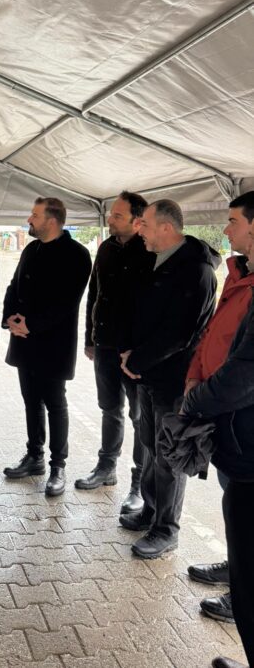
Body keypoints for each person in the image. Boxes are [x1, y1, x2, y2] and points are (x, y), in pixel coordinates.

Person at [119, 199, 219, 559]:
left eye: (144, 224)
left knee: (169, 455)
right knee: (150, 445)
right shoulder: (158, 260)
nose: (139, 230)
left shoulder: (197, 271)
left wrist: (137, 360)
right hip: (149, 374)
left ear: (166, 227)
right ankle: (150, 511)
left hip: (174, 379)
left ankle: (166, 529)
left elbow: (179, 333)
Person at [181, 235, 254, 668]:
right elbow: (213, 337)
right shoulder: (239, 276)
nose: (227, 230)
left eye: (234, 221)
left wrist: (195, 400)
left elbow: (243, 375)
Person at [2, 197, 92, 496]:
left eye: (35, 215)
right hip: (24, 341)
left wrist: (31, 325)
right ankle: (34, 457)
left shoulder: (77, 254)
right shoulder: (31, 249)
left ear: (51, 220)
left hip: (53, 344)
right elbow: (13, 286)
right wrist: (9, 318)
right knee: (31, 401)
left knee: (55, 403)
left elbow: (67, 302)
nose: (29, 219)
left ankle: (58, 466)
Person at [76, 191, 154, 513]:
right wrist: (89, 338)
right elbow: (94, 293)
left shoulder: (149, 250)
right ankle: (106, 468)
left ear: (137, 221)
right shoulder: (106, 248)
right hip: (105, 346)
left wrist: (142, 351)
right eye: (111, 214)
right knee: (109, 408)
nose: (109, 219)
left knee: (139, 417)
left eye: (117, 215)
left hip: (133, 353)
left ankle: (139, 483)